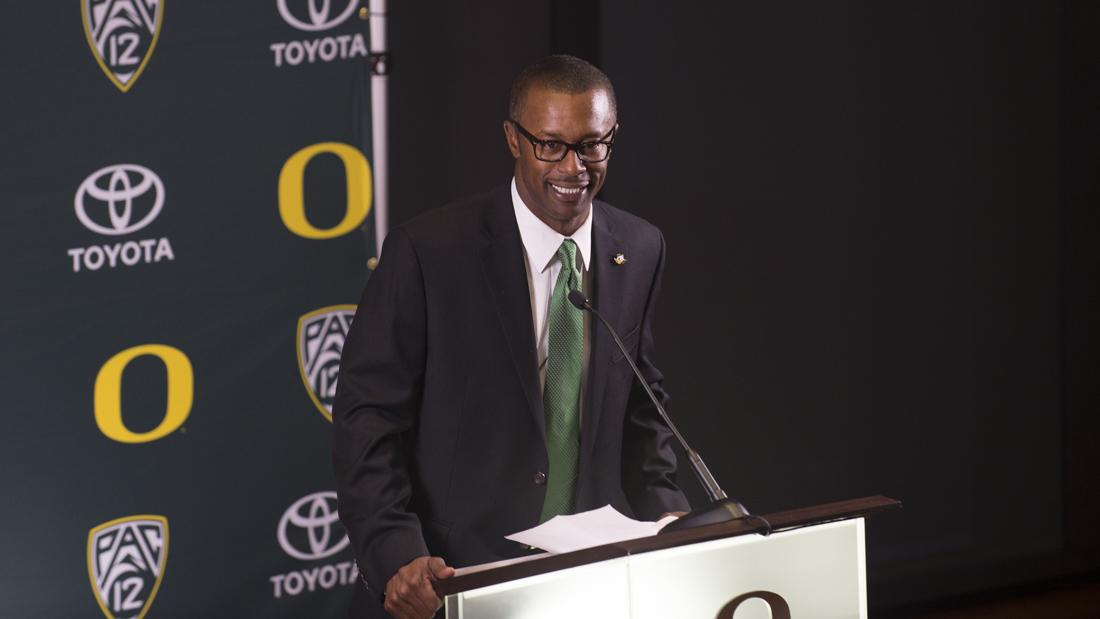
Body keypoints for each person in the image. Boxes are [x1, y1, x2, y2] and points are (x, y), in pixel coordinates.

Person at [332, 54, 689, 619]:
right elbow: (368, 418)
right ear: (513, 139)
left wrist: (670, 516)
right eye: (551, 144)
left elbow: (642, 408)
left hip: (586, 583)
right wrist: (397, 553)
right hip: (451, 580)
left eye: (593, 144)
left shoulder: (640, 249)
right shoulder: (429, 253)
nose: (574, 167)